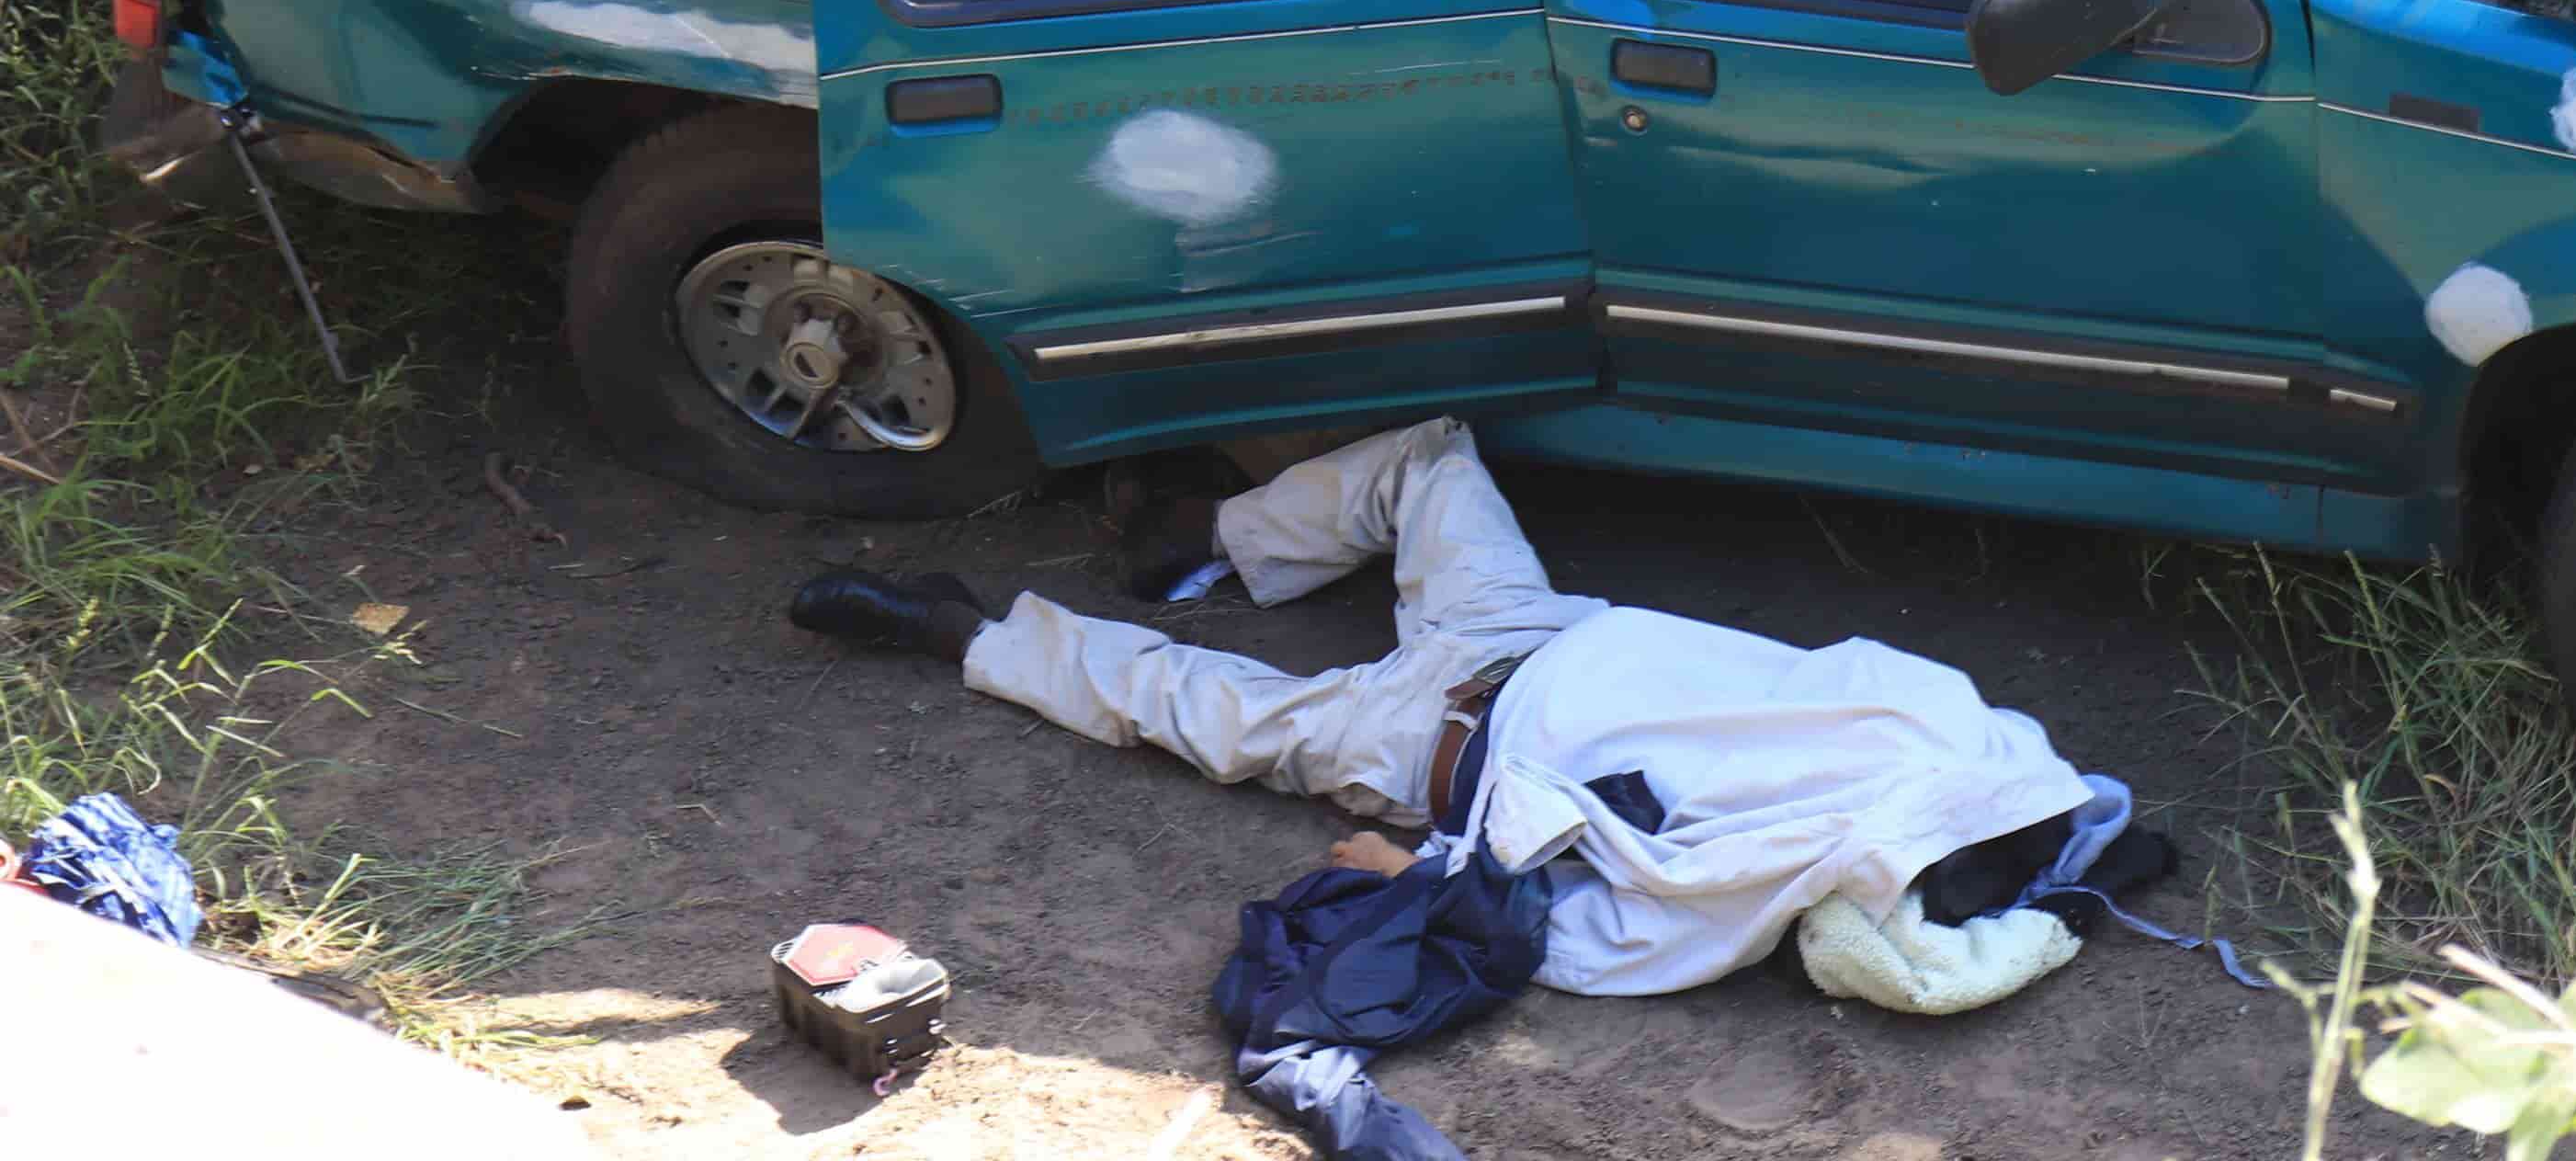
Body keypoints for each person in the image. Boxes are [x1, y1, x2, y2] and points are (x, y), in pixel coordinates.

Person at [785, 417, 2127, 996]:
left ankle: (964, 629)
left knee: (1196, 706)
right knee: (1430, 459)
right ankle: (1214, 539)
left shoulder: (1765, 890)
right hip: (1530, 632)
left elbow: (1559, 935)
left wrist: (1411, 867)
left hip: (1425, 752)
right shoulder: (1934, 731)